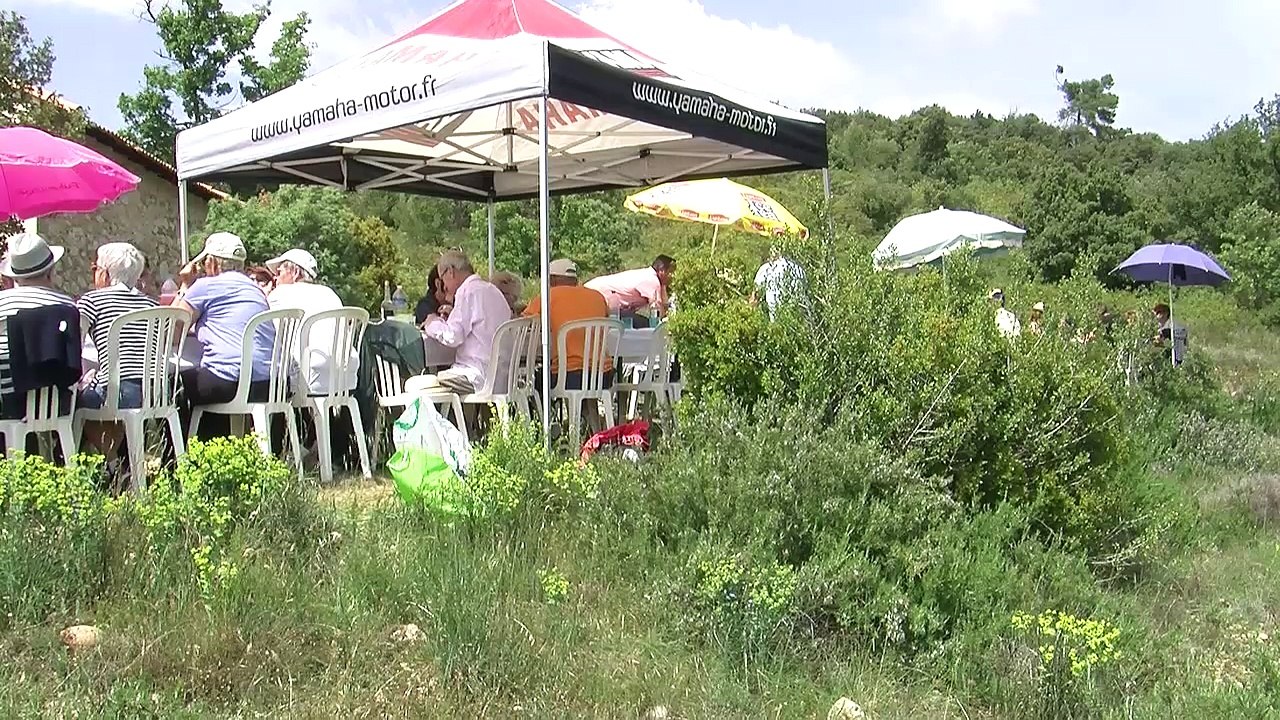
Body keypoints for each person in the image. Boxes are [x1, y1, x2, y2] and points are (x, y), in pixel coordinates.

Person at [171, 232, 276, 437]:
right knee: (209, 379)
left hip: (230, 381)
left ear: (212, 262)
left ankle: (182, 453)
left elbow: (173, 332)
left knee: (173, 385)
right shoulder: (255, 289)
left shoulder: (204, 286)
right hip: (268, 382)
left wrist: (185, 285)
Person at [76, 243, 160, 468]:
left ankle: (114, 464)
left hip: (119, 391)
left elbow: (74, 343)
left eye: (95, 268)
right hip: (156, 392)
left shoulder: (92, 301)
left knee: (78, 402)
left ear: (104, 273)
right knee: (109, 394)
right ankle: (124, 465)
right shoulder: (151, 304)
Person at [0, 233, 78, 422]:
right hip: (54, 402)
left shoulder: (2, 303)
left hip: (5, 401)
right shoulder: (67, 306)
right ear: (50, 271)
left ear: (15, 276)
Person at [421, 250, 511, 394]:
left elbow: (453, 336)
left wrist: (432, 323)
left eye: (443, 280)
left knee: (424, 384)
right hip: (502, 378)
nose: (444, 287)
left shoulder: (467, 291)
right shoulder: (493, 291)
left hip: (476, 375)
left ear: (450, 272)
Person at [265, 248, 351, 395]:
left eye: (279, 272)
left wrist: (264, 297)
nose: (275, 278)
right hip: (345, 378)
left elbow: (266, 333)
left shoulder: (280, 294)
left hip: (306, 378)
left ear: (294, 272)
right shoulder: (330, 293)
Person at [523, 258, 611, 389]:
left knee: (535, 380)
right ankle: (589, 403)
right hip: (603, 375)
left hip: (568, 374)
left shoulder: (548, 296)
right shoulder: (597, 296)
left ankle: (543, 403)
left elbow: (525, 322)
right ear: (575, 280)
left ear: (552, 279)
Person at [585, 255, 675, 323]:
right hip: (595, 296)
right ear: (662, 271)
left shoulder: (648, 275)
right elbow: (659, 313)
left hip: (599, 298)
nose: (674, 276)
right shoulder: (652, 280)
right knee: (644, 324)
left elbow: (663, 307)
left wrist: (663, 287)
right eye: (671, 272)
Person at [750, 247, 805, 320]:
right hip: (795, 311)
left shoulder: (767, 268)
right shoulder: (799, 269)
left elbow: (756, 291)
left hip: (774, 308)